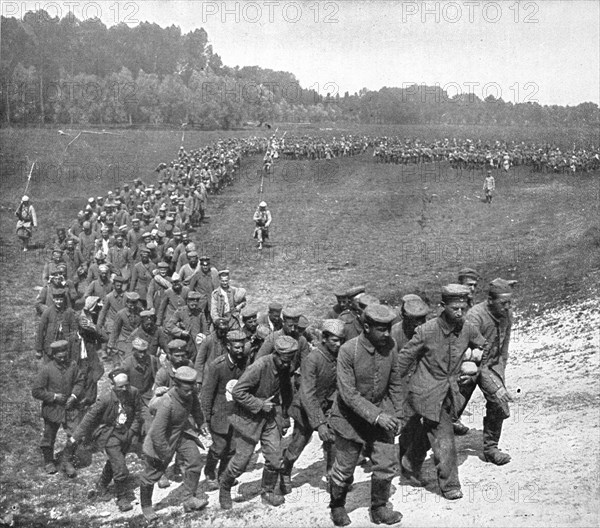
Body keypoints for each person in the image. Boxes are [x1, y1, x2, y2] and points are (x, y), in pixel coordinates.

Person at [397, 285, 487, 501]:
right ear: (443, 306)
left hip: (451, 393)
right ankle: (450, 485)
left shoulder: (467, 328)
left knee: (432, 431)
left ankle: (409, 462)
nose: (459, 313)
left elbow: (485, 348)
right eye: (454, 308)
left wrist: (475, 370)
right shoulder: (426, 331)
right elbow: (403, 360)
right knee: (444, 436)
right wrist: (393, 391)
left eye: (463, 308)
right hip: (426, 393)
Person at [328, 304, 403, 526]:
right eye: (381, 329)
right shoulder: (348, 351)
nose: (387, 334)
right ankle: (337, 506)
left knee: (386, 463)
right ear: (366, 327)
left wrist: (398, 413)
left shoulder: (390, 346)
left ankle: (379, 507)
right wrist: (378, 416)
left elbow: (395, 381)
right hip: (349, 419)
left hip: (381, 415)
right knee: (344, 468)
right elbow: (348, 394)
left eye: (389, 328)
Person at [218, 335, 297, 510]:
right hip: (249, 419)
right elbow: (238, 391)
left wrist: (284, 417)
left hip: (270, 418)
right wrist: (260, 404)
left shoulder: (285, 366)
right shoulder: (260, 366)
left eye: (289, 361)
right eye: (284, 361)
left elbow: (286, 391)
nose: (286, 365)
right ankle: (224, 487)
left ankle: (267, 492)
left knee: (275, 459)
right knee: (241, 462)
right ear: (275, 354)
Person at [454, 278, 516, 465]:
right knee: (450, 409)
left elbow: (504, 346)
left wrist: (500, 371)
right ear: (490, 300)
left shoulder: (507, 315)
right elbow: (465, 352)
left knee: (499, 404)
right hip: (469, 365)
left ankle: (490, 448)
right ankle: (420, 450)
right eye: (503, 303)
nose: (507, 307)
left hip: (492, 364)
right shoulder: (475, 317)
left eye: (509, 303)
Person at [281, 319, 345, 495]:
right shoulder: (313, 359)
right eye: (334, 340)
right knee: (297, 446)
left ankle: (332, 477)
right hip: (305, 409)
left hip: (326, 407)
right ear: (324, 339)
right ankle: (284, 471)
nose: (338, 344)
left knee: (332, 441)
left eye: (341, 340)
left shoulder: (338, 357)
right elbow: (307, 394)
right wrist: (319, 423)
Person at [139, 366, 209, 521]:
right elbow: (157, 432)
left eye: (192, 390)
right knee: (152, 475)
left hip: (182, 433)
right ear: (176, 386)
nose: (190, 393)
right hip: (163, 440)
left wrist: (201, 423)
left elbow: (196, 408)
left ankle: (189, 499)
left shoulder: (190, 393)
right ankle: (146, 506)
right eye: (187, 390)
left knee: (195, 462)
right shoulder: (167, 402)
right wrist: (165, 454)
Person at [72, 369, 142, 511]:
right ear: (112, 385)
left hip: (126, 433)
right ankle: (122, 497)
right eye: (120, 387)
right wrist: (76, 436)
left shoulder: (133, 393)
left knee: (115, 461)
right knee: (121, 468)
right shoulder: (105, 399)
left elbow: (138, 413)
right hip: (109, 434)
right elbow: (90, 418)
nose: (124, 389)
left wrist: (132, 431)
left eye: (126, 385)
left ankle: (102, 484)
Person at [200, 330, 249, 491]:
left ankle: (223, 474)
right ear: (228, 346)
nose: (240, 351)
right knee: (219, 446)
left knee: (232, 447)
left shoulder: (245, 363)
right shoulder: (217, 366)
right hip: (219, 413)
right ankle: (209, 473)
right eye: (236, 348)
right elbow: (207, 393)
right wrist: (205, 418)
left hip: (237, 413)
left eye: (242, 347)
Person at [31, 340, 84, 476]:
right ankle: (49, 461)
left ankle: (67, 461)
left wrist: (73, 396)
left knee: (74, 435)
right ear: (53, 355)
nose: (62, 358)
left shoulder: (73, 365)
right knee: (49, 436)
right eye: (59, 356)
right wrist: (54, 396)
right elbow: (36, 391)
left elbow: (80, 381)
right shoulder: (47, 369)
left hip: (70, 408)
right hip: (52, 409)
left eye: (64, 355)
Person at [35, 289, 78, 361]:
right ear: (53, 299)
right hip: (50, 346)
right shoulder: (47, 312)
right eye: (56, 300)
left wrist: (71, 340)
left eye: (61, 300)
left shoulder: (69, 312)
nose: (58, 302)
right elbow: (40, 330)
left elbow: (74, 328)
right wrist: (39, 349)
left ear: (64, 299)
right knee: (49, 367)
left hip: (65, 346)